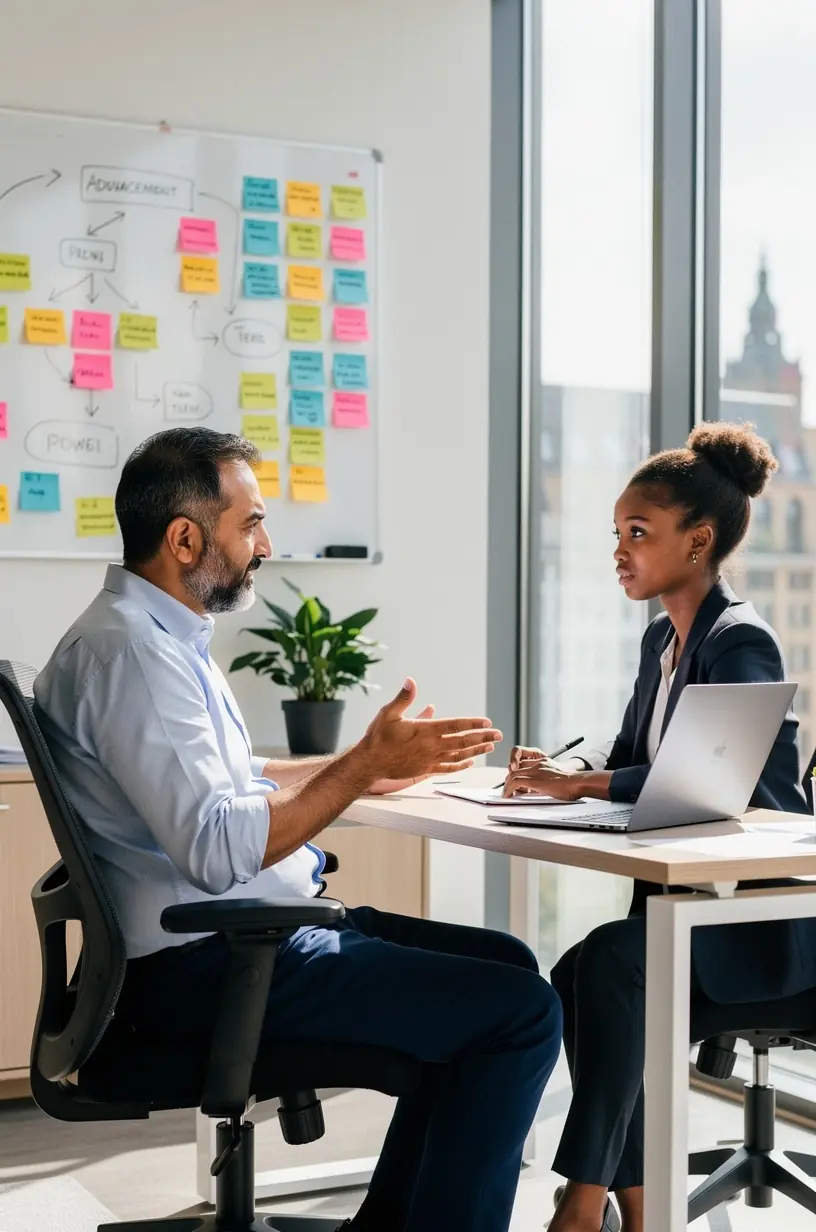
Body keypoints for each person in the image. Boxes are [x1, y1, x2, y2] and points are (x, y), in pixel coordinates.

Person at [33, 427, 563, 1232]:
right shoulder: (134, 657)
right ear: (185, 538)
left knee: (506, 963)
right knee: (519, 1012)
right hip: (214, 963)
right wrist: (351, 775)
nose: (266, 544)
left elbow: (232, 788)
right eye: (249, 524)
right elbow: (216, 848)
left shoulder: (149, 637)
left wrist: (365, 765)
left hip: (226, 945)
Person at [502, 422, 812, 1232]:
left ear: (699, 540)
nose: (619, 549)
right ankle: (638, 1206)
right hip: (688, 912)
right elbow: (639, 752)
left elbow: (708, 783)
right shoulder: (661, 643)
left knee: (607, 967)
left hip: (759, 921)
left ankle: (584, 1200)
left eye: (638, 533)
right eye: (617, 533)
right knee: (577, 972)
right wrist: (560, 772)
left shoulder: (740, 641)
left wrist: (583, 785)